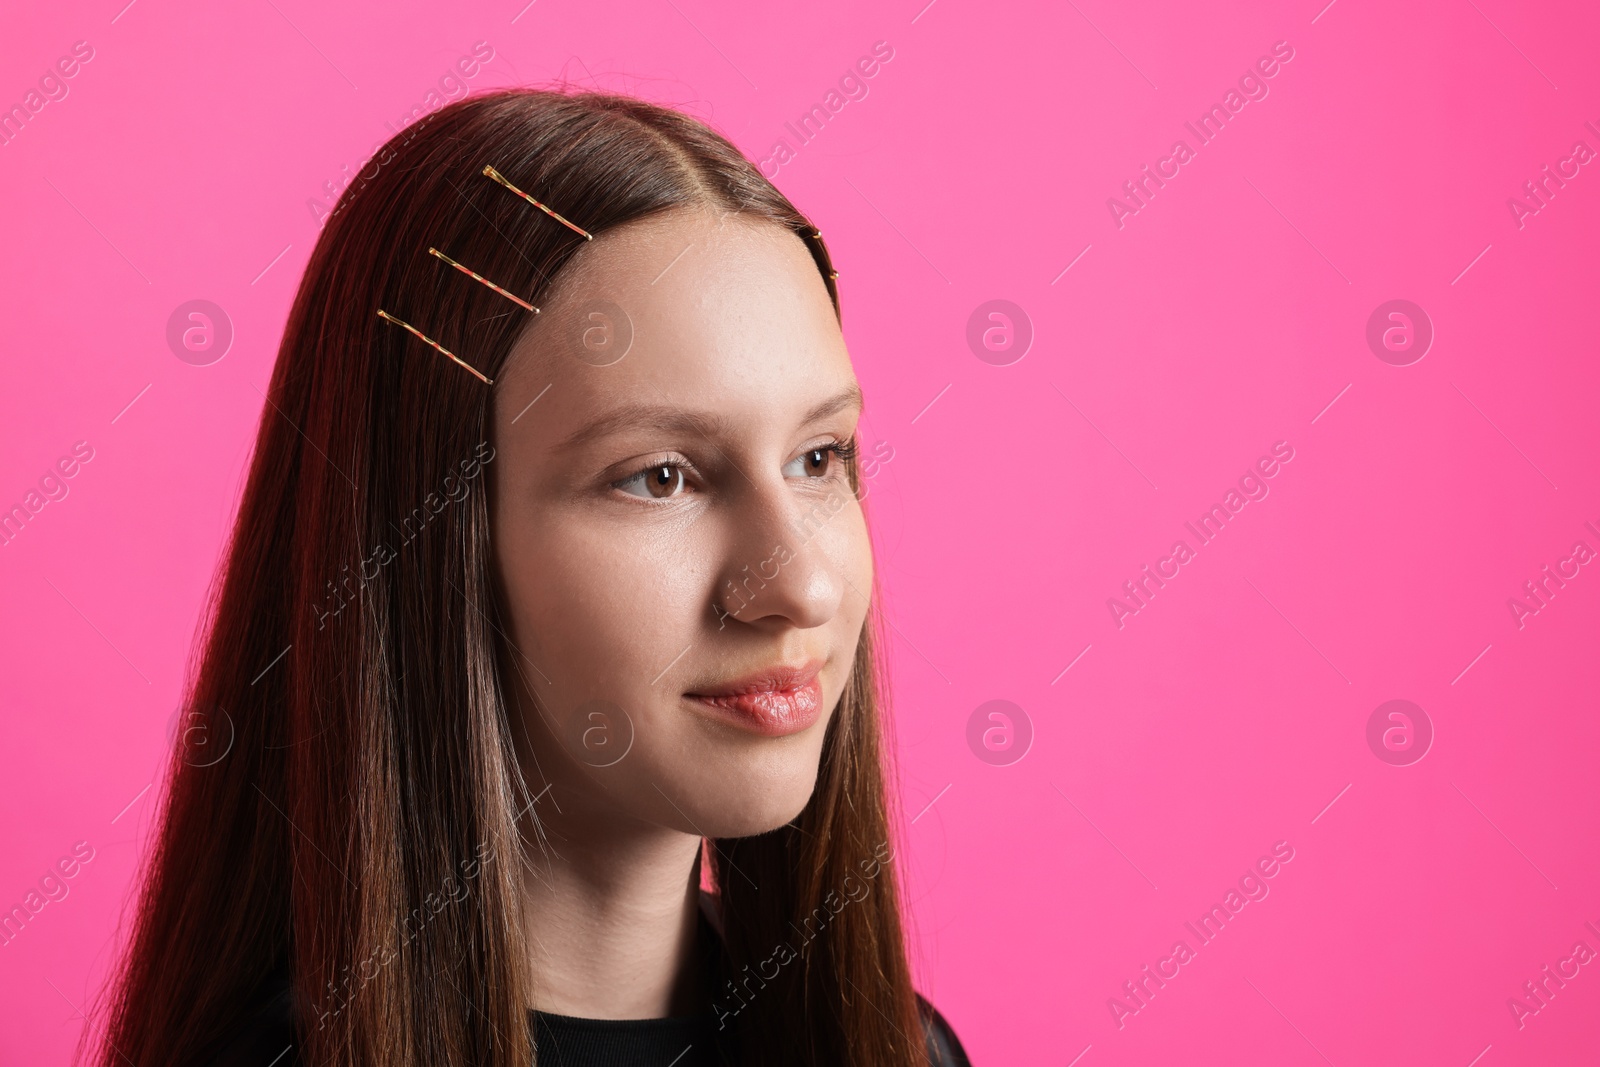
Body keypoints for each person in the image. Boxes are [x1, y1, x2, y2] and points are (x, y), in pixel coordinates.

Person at [92, 88, 972, 1067]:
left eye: (819, 457)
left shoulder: (901, 1045)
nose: (800, 586)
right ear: (426, 535)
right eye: (661, 476)